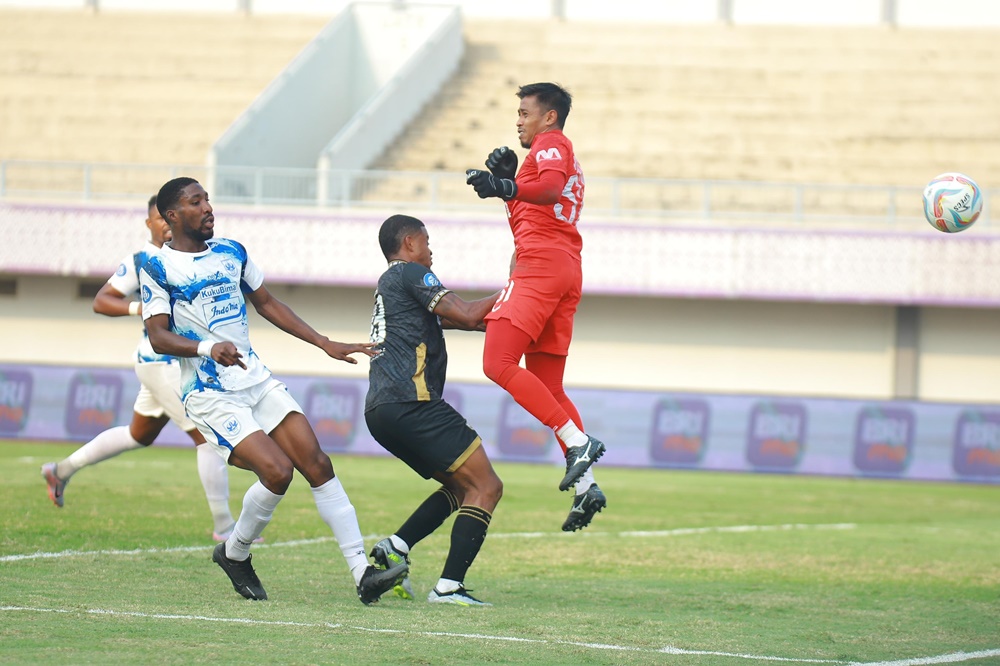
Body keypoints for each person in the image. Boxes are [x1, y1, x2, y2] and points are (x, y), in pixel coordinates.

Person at [139, 176, 406, 604]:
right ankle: (235, 553)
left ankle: (362, 574)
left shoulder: (231, 252)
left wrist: (325, 342)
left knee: (317, 463)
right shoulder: (156, 267)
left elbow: (267, 303)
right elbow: (157, 336)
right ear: (173, 216)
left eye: (207, 199)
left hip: (256, 379)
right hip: (210, 391)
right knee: (278, 471)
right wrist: (208, 347)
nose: (208, 207)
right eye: (196, 202)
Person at [40, 195, 242, 543]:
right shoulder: (143, 259)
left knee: (139, 434)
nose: (165, 223)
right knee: (208, 436)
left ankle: (60, 471)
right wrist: (143, 309)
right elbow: (102, 300)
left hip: (175, 363)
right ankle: (225, 528)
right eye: (159, 218)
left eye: (169, 217)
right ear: (150, 223)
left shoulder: (195, 254)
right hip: (162, 363)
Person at [466, 82, 608, 532]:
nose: (519, 121)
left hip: (541, 268)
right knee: (550, 386)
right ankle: (587, 486)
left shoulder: (553, 144)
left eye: (526, 113)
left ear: (549, 117)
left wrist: (505, 183)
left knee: (497, 361)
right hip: (564, 267)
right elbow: (531, 211)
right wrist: (511, 186)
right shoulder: (546, 154)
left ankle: (576, 443)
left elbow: (546, 191)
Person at [364, 214, 502, 606]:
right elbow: (469, 313)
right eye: (426, 242)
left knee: (461, 487)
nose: (430, 250)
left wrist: (512, 313)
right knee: (487, 486)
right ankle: (449, 587)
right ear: (409, 243)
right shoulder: (409, 272)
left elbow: (469, 322)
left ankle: (396, 546)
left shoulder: (392, 284)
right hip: (412, 401)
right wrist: (518, 288)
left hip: (382, 410)